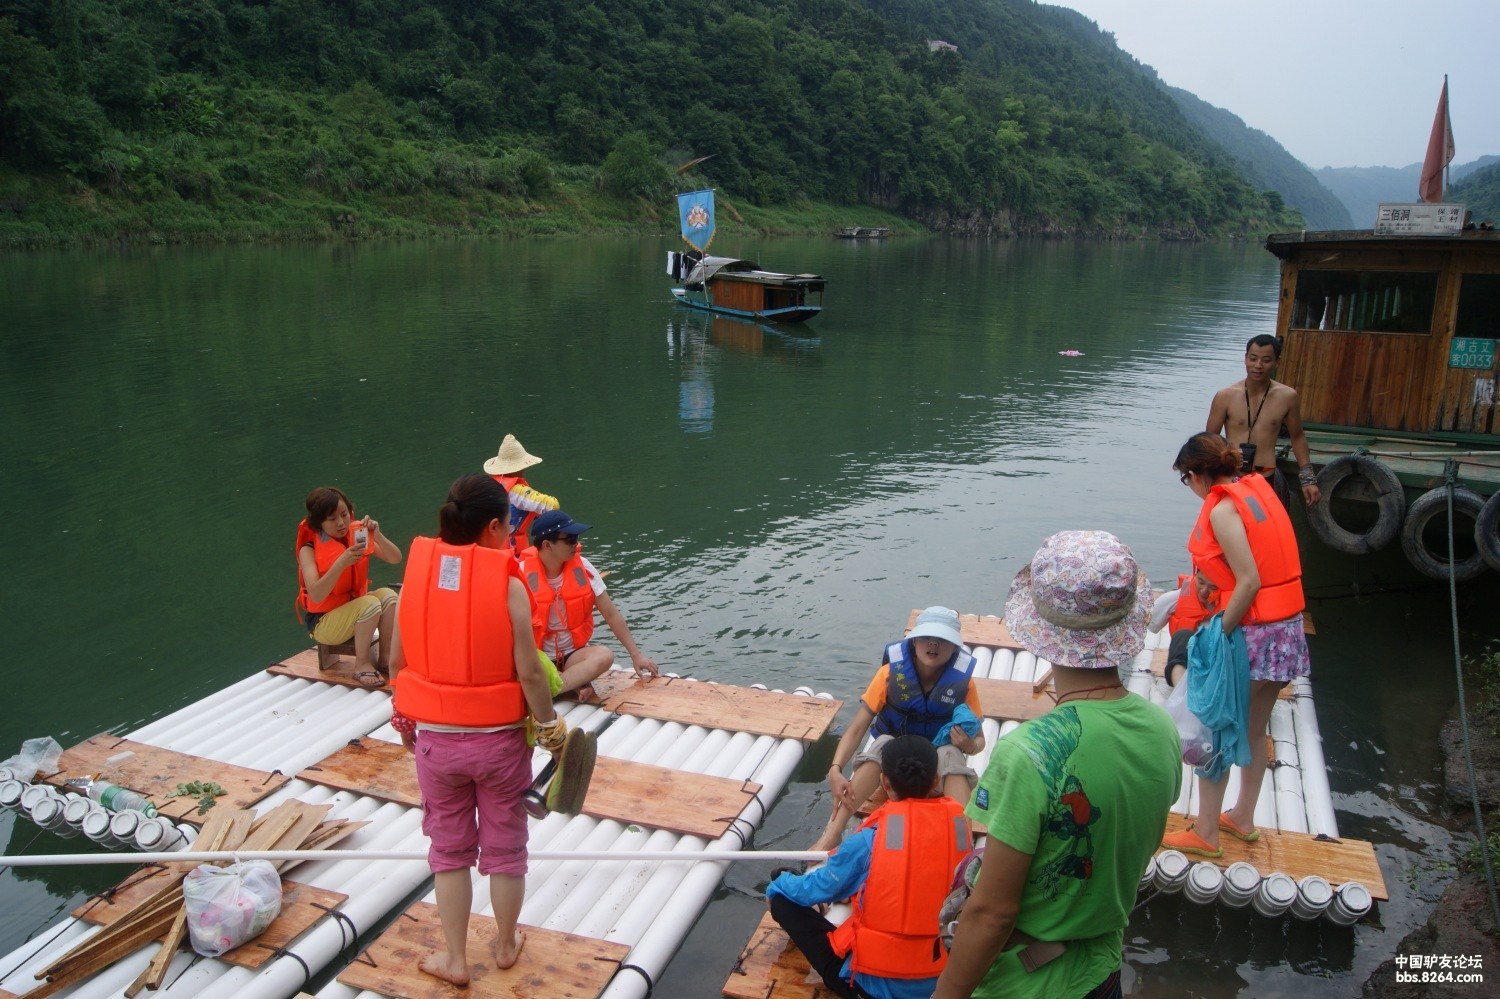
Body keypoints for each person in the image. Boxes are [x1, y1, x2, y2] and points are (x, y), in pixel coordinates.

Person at [934, 531, 1181, 999]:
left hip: (1025, 984)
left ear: (1043, 635)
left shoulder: (1030, 752)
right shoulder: (1160, 729)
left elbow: (993, 914)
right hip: (1101, 971)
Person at [387, 473, 568, 987]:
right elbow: (531, 671)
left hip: (437, 745)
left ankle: (455, 959)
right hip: (500, 746)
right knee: (506, 849)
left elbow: (397, 663)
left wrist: (405, 720)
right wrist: (549, 726)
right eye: (509, 526)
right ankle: (507, 944)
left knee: (449, 851)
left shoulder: (415, 580)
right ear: (493, 527)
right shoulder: (509, 587)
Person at [1161, 432, 1311, 858]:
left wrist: (1218, 632)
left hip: (1252, 636)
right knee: (1253, 728)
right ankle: (1243, 818)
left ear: (1198, 473)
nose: (1189, 488)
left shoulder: (1224, 509)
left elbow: (1249, 581)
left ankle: (1206, 833)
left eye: (1186, 479)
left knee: (1214, 729)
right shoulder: (1258, 491)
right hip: (1286, 634)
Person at [768, 736, 970, 999]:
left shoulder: (870, 840)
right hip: (943, 982)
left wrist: (779, 882)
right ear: (936, 780)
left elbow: (811, 889)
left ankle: (815, 904)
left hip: (870, 990)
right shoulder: (960, 829)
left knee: (781, 895)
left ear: (884, 783)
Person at [809, 606, 985, 854]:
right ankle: (833, 832)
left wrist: (968, 745)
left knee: (952, 753)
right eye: (927, 637)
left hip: (936, 773)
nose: (933, 645)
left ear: (955, 647)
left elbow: (980, 742)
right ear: (914, 642)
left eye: (943, 640)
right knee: (883, 743)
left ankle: (961, 846)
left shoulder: (964, 684)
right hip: (898, 770)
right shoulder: (889, 674)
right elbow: (858, 727)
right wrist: (835, 769)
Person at [517, 509, 660, 701]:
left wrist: (636, 655)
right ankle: (572, 684)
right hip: (539, 657)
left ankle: (555, 687)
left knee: (604, 655)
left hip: (572, 658)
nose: (575, 544)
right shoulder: (521, 574)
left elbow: (611, 614)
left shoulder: (583, 567)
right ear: (547, 545)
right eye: (569, 540)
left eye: (576, 538)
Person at [295, 486, 402, 677]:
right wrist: (340, 564)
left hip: (353, 610)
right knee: (369, 604)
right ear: (319, 523)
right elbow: (316, 594)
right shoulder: (308, 549)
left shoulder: (356, 536)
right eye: (332, 518)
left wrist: (377, 535)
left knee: (389, 597)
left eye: (344, 515)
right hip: (323, 622)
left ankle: (385, 660)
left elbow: (395, 558)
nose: (341, 523)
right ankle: (361, 665)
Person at [1205, 333, 1322, 508]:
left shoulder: (1287, 396)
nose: (1258, 365)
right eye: (1253, 359)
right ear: (1245, 359)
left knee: (1264, 530)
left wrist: (1308, 479)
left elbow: (1297, 436)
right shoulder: (1225, 396)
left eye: (1266, 360)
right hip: (1232, 476)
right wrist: (1208, 478)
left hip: (1266, 477)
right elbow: (1209, 441)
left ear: (1277, 362)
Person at [483, 434, 559, 553]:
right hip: (512, 550)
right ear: (520, 468)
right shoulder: (518, 492)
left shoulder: (488, 486)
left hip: (489, 547)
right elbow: (552, 506)